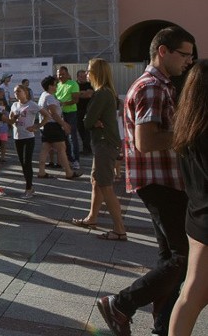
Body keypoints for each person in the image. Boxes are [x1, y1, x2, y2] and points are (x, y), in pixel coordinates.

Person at [97, 26, 195, 336]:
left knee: (170, 258)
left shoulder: (161, 85)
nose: (189, 62)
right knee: (184, 257)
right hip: (159, 181)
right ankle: (122, 304)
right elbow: (146, 140)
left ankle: (162, 325)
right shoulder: (152, 86)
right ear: (163, 51)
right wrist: (191, 133)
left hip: (160, 180)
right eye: (185, 55)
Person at [169, 59, 208, 336]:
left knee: (192, 293)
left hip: (196, 215)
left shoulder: (189, 127)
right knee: (193, 294)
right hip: (205, 219)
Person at [71, 58, 126, 240]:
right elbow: (92, 120)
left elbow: (86, 121)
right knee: (96, 181)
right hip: (104, 142)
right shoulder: (107, 92)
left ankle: (119, 230)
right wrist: (94, 120)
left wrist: (92, 120)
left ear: (96, 73)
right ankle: (91, 218)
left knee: (105, 185)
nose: (87, 73)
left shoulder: (101, 93)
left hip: (104, 143)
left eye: (89, 70)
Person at [37, 76, 81, 180]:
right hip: (52, 126)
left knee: (45, 148)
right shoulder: (50, 97)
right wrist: (64, 124)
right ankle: (68, 172)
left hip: (46, 126)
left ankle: (41, 171)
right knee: (61, 148)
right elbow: (54, 114)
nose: (57, 86)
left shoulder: (44, 95)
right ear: (50, 86)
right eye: (55, 84)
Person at [9, 84, 41, 199]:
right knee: (22, 163)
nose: (16, 94)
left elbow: (47, 115)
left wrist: (37, 126)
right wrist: (14, 118)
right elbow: (10, 121)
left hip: (28, 137)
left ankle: (28, 188)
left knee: (27, 162)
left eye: (18, 91)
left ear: (25, 92)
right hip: (17, 136)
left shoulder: (31, 105)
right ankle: (30, 186)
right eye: (15, 92)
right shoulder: (14, 105)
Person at [76, 69, 94, 155]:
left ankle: (87, 149)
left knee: (87, 130)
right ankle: (86, 148)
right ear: (77, 77)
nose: (83, 78)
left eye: (84, 76)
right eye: (81, 76)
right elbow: (73, 95)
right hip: (77, 110)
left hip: (88, 110)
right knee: (80, 130)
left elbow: (89, 94)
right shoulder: (74, 84)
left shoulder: (89, 84)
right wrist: (83, 93)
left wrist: (79, 94)